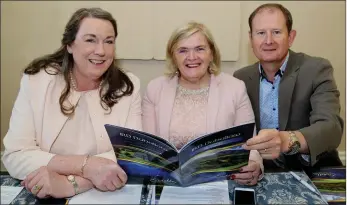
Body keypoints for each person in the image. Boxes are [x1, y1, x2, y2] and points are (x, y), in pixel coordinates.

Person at [2, 8, 142, 199]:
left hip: (103, 195)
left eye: (109, 41)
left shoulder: (128, 86)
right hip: (44, 191)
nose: (101, 51)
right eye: (90, 40)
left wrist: (71, 184)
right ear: (69, 44)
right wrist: (86, 166)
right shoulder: (37, 81)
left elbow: (132, 156)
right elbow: (15, 155)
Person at [142, 21, 263, 186]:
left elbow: (251, 144)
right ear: (173, 56)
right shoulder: (155, 89)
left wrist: (255, 165)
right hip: (168, 183)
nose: (192, 57)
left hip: (218, 182)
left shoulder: (235, 88)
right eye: (183, 50)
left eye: (200, 49)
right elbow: (149, 149)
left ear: (211, 53)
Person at [233, 3, 343, 173]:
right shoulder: (240, 78)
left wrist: (287, 140)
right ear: (251, 38)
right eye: (261, 33)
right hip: (262, 172)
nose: (268, 40)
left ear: (291, 37)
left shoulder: (316, 69)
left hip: (312, 169)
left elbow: (331, 128)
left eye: (276, 32)